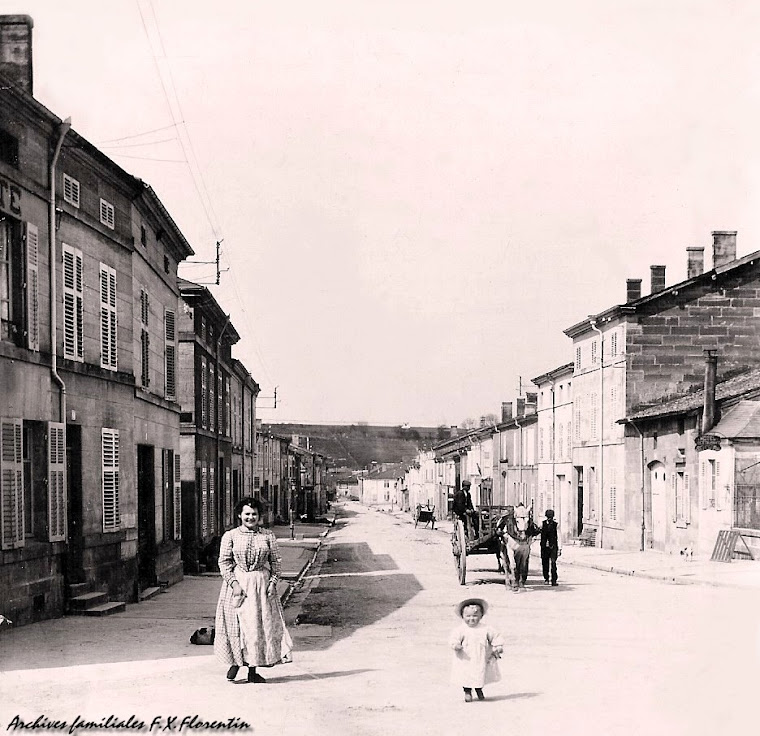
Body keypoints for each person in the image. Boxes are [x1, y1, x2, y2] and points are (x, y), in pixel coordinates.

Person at [214, 496, 293, 683]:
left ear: (259, 516)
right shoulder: (230, 536)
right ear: (240, 515)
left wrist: (273, 583)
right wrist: (234, 584)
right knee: (237, 627)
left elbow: (276, 561)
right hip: (237, 585)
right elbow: (224, 562)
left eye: (254, 514)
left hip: (261, 586)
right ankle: (235, 662)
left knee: (257, 628)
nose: (251, 517)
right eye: (247, 514)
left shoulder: (267, 536)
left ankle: (252, 671)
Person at [449, 598, 504, 702]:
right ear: (462, 616)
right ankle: (467, 691)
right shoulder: (461, 629)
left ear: (481, 616)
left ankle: (479, 690)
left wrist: (498, 646)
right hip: (465, 657)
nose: (472, 619)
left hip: (480, 656)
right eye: (468, 616)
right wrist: (456, 645)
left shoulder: (486, 628)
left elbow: (495, 636)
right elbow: (454, 638)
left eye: (475, 616)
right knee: (466, 674)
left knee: (480, 673)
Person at [540, 508, 562, 586]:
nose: (550, 518)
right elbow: (540, 533)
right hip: (544, 547)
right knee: (545, 563)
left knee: (553, 563)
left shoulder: (556, 525)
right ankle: (546, 578)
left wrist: (560, 548)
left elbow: (559, 536)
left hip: (553, 547)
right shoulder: (542, 524)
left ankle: (554, 580)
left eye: (551, 517)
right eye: (549, 517)